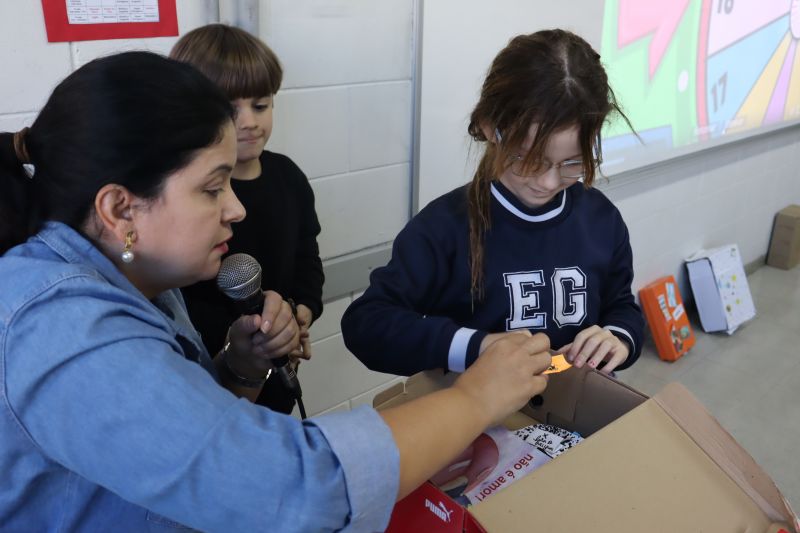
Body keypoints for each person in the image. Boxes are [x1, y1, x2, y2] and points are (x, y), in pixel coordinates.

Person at [0, 51, 553, 532]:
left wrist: (239, 369)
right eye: (212, 188)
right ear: (121, 209)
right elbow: (292, 489)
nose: (236, 208)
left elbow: (180, 445)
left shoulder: (141, 279)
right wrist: (475, 397)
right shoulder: (62, 329)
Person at [342, 29, 645, 377]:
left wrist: (617, 338)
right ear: (490, 128)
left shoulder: (601, 218)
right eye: (530, 159)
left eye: (572, 163)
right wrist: (479, 347)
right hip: (479, 407)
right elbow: (367, 323)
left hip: (577, 402)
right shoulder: (444, 227)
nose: (548, 182)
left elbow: (621, 306)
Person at [170, 24, 323, 414]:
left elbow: (307, 257)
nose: (249, 122)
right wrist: (253, 340)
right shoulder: (183, 201)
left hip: (277, 374)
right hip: (214, 381)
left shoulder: (288, 176)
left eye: (260, 105)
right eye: (230, 109)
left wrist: (299, 314)